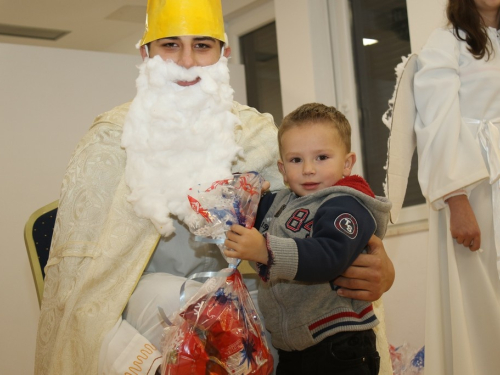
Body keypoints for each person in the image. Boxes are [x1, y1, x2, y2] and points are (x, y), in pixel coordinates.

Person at [34, 1, 395, 374]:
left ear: (224, 54)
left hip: (258, 315)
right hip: (145, 321)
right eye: (171, 45)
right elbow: (86, 289)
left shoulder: (259, 137)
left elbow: (327, 216)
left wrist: (380, 268)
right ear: (146, 54)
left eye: (203, 46)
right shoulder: (110, 142)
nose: (188, 61)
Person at [224, 103, 392, 375]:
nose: (309, 169)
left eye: (322, 157)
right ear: (282, 169)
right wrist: (245, 193)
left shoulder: (347, 204)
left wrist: (266, 251)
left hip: (340, 345)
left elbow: (330, 256)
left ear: (347, 163)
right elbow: (247, 213)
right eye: (296, 160)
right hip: (292, 349)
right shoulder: (282, 203)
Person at [413, 0, 500, 374]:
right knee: (477, 303)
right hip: (473, 184)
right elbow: (437, 123)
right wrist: (457, 198)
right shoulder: (446, 42)